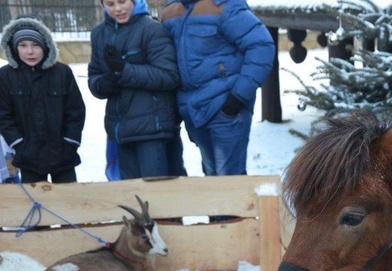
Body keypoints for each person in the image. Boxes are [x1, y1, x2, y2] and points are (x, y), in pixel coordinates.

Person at [162, 0, 275, 176]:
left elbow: (261, 46)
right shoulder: (170, 12)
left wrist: (239, 95)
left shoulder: (224, 6)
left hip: (226, 106)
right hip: (193, 111)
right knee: (211, 174)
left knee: (229, 176)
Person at [89, 0, 182, 179]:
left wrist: (124, 71)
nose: (118, 9)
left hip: (152, 131)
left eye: (122, 1)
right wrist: (103, 83)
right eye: (110, 3)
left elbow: (169, 75)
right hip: (120, 131)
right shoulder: (99, 34)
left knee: (157, 194)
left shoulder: (151, 29)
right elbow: (94, 76)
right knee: (131, 196)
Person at [0, 16, 85, 184]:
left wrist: (70, 142)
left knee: (69, 203)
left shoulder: (62, 72)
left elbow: (75, 111)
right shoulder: (6, 76)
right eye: (23, 46)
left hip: (63, 156)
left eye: (35, 45)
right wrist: (18, 144)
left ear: (46, 45)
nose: (30, 52)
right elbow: (4, 115)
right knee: (35, 205)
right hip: (28, 158)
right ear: (14, 48)